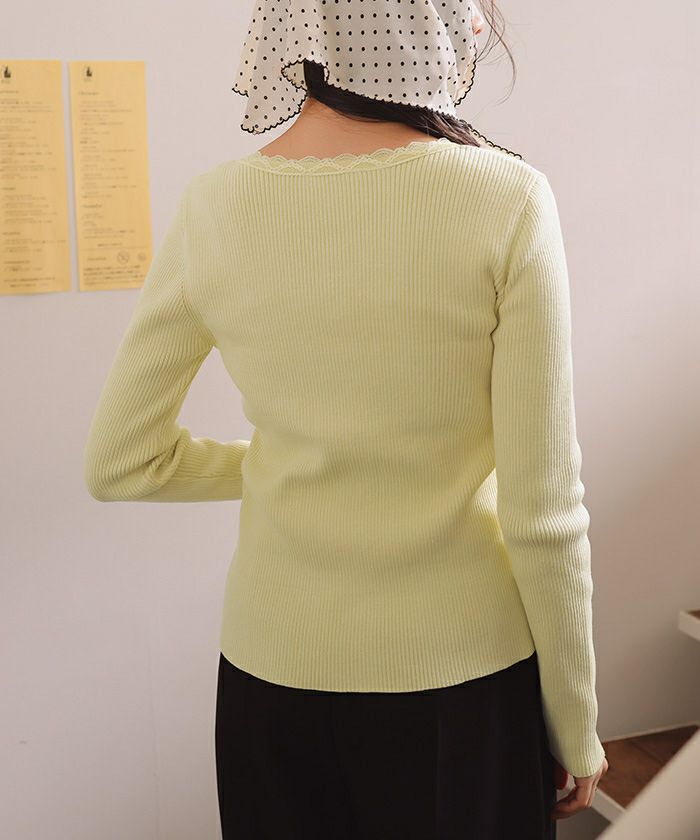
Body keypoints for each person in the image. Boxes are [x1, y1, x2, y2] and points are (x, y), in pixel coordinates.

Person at [84, 1, 609, 837]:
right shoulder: (505, 198)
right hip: (462, 682)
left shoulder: (214, 205)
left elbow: (120, 462)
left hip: (270, 686)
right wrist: (576, 724)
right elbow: (542, 511)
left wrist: (292, 457)